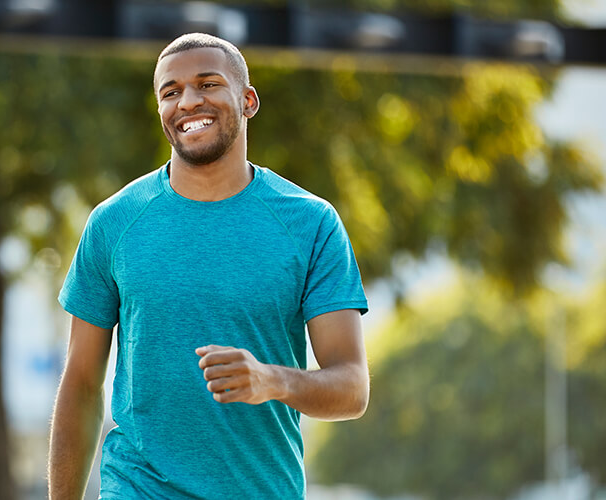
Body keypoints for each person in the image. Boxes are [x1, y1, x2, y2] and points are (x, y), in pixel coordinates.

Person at [48, 32, 370, 499]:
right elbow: (80, 381)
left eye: (208, 84)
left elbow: (352, 387)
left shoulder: (310, 222)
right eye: (170, 92)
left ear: (247, 100)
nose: (188, 102)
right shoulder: (113, 223)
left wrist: (271, 379)